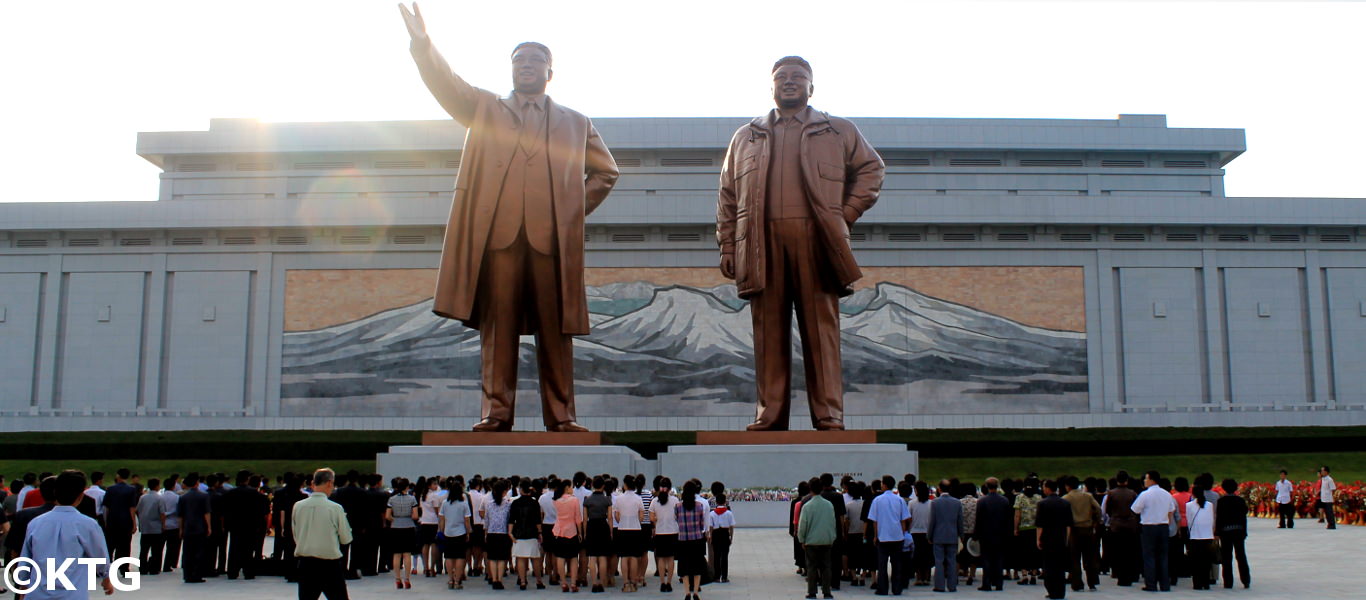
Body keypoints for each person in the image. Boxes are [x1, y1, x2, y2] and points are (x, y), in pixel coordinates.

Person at [398, 3, 619, 434]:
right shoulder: (485, 109)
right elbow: (447, 85)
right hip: (499, 239)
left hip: (550, 243)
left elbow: (606, 171)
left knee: (556, 331)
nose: (526, 67)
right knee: (497, 330)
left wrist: (569, 212)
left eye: (536, 61)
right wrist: (423, 44)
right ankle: (497, 413)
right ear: (511, 69)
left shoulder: (575, 122)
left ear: (550, 72)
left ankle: (562, 416)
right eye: (519, 61)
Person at [717, 55, 884, 432]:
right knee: (768, 333)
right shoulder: (746, 136)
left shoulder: (837, 130)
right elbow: (727, 194)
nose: (789, 82)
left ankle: (828, 415)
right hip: (761, 244)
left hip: (817, 240)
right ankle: (769, 414)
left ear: (812, 87)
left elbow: (872, 169)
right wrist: (728, 245)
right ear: (771, 86)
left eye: (798, 77)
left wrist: (845, 213)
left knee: (820, 331)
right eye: (781, 77)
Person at [20, 470, 116, 598]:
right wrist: (106, 578)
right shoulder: (87, 524)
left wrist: (23, 585)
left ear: (55, 492)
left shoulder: (36, 523)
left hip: (38, 594)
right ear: (81, 495)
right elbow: (100, 556)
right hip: (72, 594)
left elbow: (26, 559)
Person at [293, 468, 354, 600]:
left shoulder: (298, 506)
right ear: (329, 483)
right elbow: (345, 538)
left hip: (306, 562)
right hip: (329, 564)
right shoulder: (335, 508)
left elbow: (296, 534)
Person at [1131, 470, 1176, 592]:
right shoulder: (1166, 494)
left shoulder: (1145, 495)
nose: (1145, 481)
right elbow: (1171, 510)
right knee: (1163, 556)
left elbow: (1135, 509)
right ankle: (1164, 585)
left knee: (1149, 556)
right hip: (1163, 526)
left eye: (1146, 479)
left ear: (1151, 480)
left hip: (1149, 527)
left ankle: (1151, 584)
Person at [798, 477, 837, 599]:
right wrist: (832, 537)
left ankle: (812, 592)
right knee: (826, 567)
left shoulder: (807, 506)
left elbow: (802, 524)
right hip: (826, 540)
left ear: (810, 489)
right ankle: (827, 592)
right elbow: (832, 522)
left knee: (812, 567)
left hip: (811, 541)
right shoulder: (829, 505)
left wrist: (802, 539)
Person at [1035, 479, 1073, 600]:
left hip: (1048, 538)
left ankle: (1051, 590)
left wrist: (1038, 539)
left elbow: (1040, 525)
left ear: (1047, 488)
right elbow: (1068, 524)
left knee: (1049, 565)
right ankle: (1060, 591)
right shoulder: (1065, 503)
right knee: (1060, 566)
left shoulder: (1042, 504)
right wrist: (1066, 539)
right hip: (1060, 537)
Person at [1062, 475, 1101, 592]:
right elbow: (1098, 509)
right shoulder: (1088, 496)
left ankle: (1077, 583)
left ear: (1067, 486)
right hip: (1088, 528)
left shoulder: (1066, 498)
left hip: (1074, 530)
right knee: (1090, 557)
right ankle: (1092, 582)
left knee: (1074, 558)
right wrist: (1096, 521)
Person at [974, 477, 1012, 592]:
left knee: (986, 559)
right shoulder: (1004, 501)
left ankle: (987, 583)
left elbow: (978, 520)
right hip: (1000, 534)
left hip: (986, 535)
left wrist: (976, 535)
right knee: (999, 559)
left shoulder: (982, 501)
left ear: (986, 486)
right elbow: (1008, 519)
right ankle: (998, 583)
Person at [1102, 471, 1139, 586]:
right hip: (1130, 525)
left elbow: (1107, 510)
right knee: (1129, 551)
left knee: (1117, 551)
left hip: (1116, 525)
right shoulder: (1132, 493)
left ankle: (1119, 574)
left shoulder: (1111, 494)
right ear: (1126, 481)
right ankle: (1129, 576)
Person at [926, 480, 963, 593]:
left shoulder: (935, 502)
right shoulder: (957, 502)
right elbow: (959, 521)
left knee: (939, 561)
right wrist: (961, 534)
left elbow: (932, 521)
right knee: (952, 560)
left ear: (939, 489)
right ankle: (952, 585)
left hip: (938, 535)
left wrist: (929, 535)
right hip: (952, 535)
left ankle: (940, 585)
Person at [1214, 479, 1251, 589]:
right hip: (1239, 531)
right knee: (1241, 556)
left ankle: (1228, 582)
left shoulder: (1221, 502)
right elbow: (1243, 517)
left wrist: (1217, 532)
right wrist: (1244, 531)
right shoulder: (1240, 500)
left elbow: (1219, 518)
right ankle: (1246, 580)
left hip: (1225, 532)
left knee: (1226, 557)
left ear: (1224, 488)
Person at [509, 479, 546, 590]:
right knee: (535, 558)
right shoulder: (534, 502)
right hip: (532, 532)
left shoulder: (515, 503)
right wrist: (540, 532)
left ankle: (523, 581)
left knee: (520, 558)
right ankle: (539, 581)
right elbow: (537, 520)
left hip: (519, 532)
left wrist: (510, 532)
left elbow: (511, 519)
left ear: (520, 490)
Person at [176, 473, 212, 584]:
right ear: (197, 483)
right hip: (200, 526)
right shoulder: (204, 496)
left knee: (187, 552)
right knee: (199, 552)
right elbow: (206, 513)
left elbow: (180, 515)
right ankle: (197, 574)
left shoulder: (182, 497)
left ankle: (187, 574)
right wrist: (209, 527)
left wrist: (180, 529)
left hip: (188, 527)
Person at [612, 476, 646, 591]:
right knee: (634, 557)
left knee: (624, 557)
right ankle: (634, 582)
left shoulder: (619, 498)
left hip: (622, 529)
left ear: (625, 485)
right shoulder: (638, 498)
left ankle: (626, 583)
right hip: (635, 529)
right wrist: (636, 521)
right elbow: (642, 516)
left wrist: (622, 520)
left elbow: (616, 516)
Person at [102, 468, 139, 575]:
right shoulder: (131, 489)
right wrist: (134, 523)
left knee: (110, 545)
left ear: (118, 476)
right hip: (126, 520)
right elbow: (132, 508)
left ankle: (107, 567)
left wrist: (106, 521)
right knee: (125, 545)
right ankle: (124, 568)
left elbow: (106, 507)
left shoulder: (110, 489)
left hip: (112, 520)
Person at [438, 478, 473, 590]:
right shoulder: (464, 504)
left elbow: (442, 519)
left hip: (448, 532)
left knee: (448, 556)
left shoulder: (445, 503)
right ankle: (457, 581)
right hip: (460, 532)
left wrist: (441, 530)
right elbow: (467, 520)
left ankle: (450, 579)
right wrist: (468, 531)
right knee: (460, 557)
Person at [552, 479, 585, 593]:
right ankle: (573, 583)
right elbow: (578, 518)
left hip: (559, 531)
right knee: (573, 558)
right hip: (572, 531)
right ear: (567, 488)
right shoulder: (574, 500)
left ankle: (563, 583)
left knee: (560, 557)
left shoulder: (556, 500)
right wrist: (580, 532)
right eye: (571, 487)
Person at [386, 477, 419, 589]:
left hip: (396, 527)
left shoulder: (392, 499)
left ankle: (397, 579)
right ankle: (407, 579)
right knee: (407, 554)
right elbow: (415, 516)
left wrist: (394, 519)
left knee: (397, 554)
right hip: (408, 526)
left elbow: (387, 515)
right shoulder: (412, 499)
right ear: (407, 487)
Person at [649, 478, 679, 592]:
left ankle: (662, 582)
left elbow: (651, 518)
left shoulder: (655, 501)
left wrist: (658, 521)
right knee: (670, 558)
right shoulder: (675, 500)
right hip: (672, 532)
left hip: (660, 532)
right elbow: (678, 515)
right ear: (670, 489)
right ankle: (669, 583)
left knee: (661, 558)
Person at [1185, 485, 1216, 590]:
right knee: (1206, 561)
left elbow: (1189, 522)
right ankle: (1206, 582)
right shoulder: (1210, 505)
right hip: (1207, 535)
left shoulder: (1189, 505)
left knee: (1196, 561)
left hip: (1195, 536)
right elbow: (1211, 520)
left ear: (1193, 494)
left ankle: (1197, 583)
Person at [1011, 478, 1040, 586]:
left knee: (1023, 552)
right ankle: (1033, 574)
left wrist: (1015, 528)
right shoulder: (1039, 498)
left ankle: (1024, 575)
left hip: (1023, 528)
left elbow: (1017, 515)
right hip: (1035, 528)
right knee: (1034, 552)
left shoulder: (1019, 497)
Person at [135, 478, 166, 576]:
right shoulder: (159, 498)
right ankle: (154, 568)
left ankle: (142, 567)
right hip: (156, 527)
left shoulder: (143, 497)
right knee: (156, 550)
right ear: (157, 486)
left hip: (145, 527)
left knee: (144, 549)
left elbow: (137, 510)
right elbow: (162, 513)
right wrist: (163, 524)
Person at [418, 477, 443, 578]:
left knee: (425, 545)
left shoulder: (422, 496)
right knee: (434, 544)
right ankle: (432, 567)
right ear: (429, 485)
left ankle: (425, 567)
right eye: (434, 484)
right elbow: (437, 510)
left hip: (424, 521)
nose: (436, 486)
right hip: (433, 522)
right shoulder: (434, 496)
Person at [708, 492, 735, 585]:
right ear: (725, 502)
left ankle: (716, 577)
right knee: (724, 556)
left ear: (716, 502)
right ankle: (724, 577)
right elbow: (731, 527)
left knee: (716, 556)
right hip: (724, 534)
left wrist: (711, 536)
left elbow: (710, 527)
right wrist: (731, 537)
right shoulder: (728, 513)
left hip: (716, 534)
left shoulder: (712, 513)